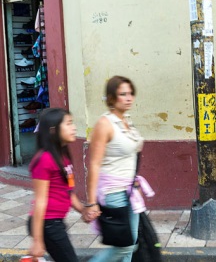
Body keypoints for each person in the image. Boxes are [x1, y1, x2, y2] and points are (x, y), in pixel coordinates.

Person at [85, 75, 144, 262]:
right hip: (113, 192)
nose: (128, 98)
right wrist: (92, 202)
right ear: (111, 98)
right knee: (124, 246)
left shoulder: (126, 120)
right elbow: (94, 164)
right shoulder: (105, 124)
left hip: (129, 190)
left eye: (131, 93)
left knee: (130, 244)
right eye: (122, 94)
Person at [28, 108, 84, 261]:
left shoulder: (63, 156)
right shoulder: (45, 159)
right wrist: (37, 241)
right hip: (47, 224)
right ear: (53, 131)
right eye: (69, 124)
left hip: (54, 223)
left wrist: (83, 210)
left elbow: (67, 191)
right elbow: (40, 201)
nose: (74, 128)